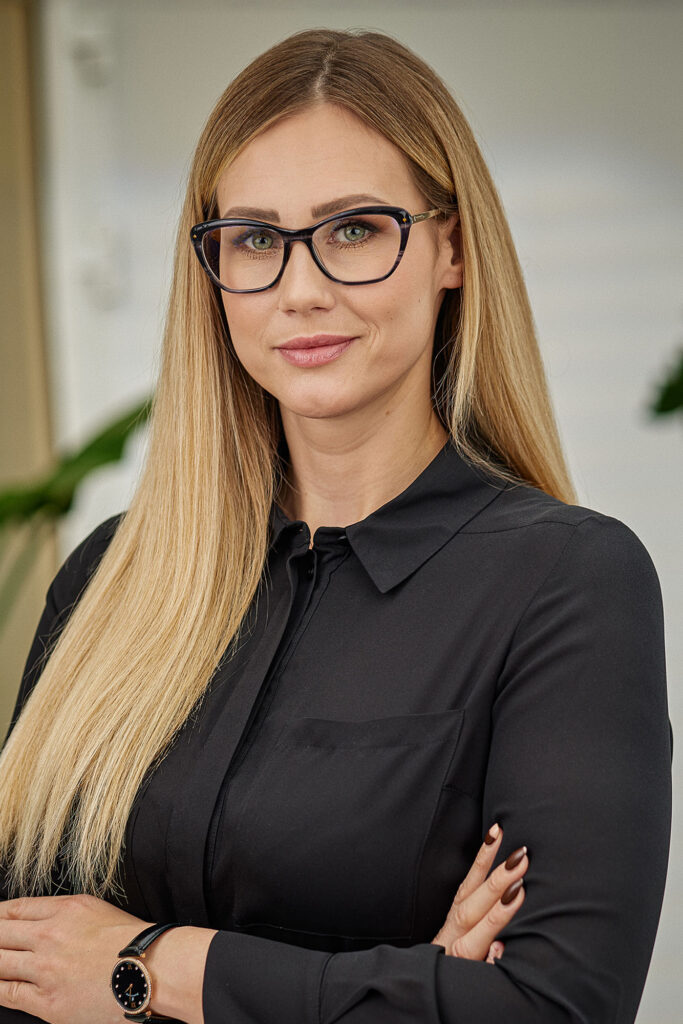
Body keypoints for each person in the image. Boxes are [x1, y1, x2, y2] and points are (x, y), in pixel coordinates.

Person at [0, 26, 672, 1024]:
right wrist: (407, 985)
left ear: (450, 248)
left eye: (354, 228)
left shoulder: (565, 582)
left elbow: (549, 1008)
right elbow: (19, 966)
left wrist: (150, 967)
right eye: (255, 239)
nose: (301, 289)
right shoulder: (110, 580)